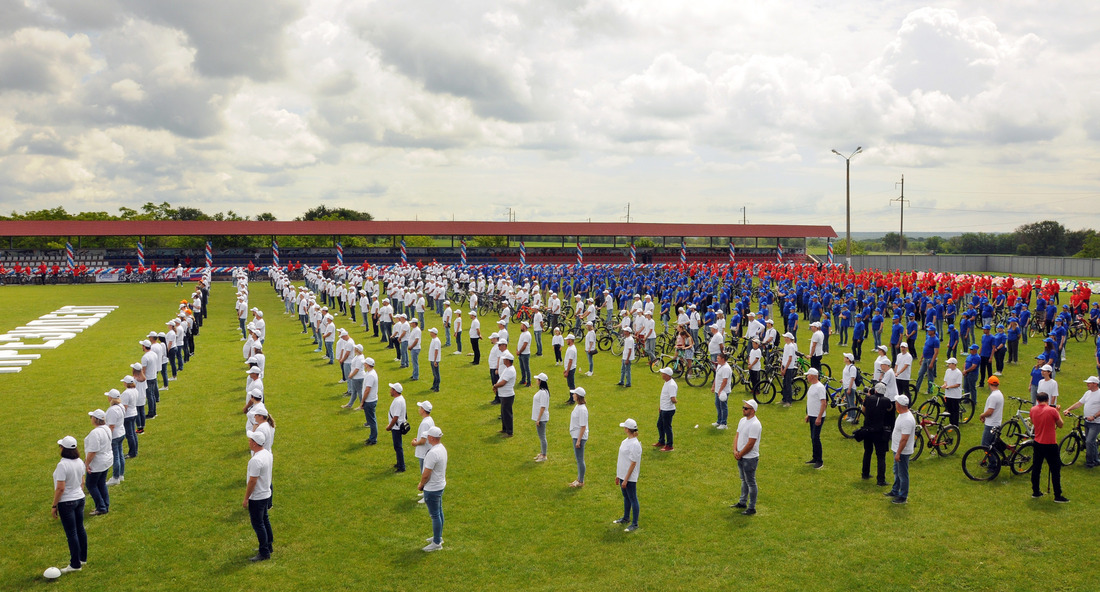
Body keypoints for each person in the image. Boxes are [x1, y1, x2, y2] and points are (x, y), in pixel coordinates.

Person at [52, 436, 87, 574]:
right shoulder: (79, 462)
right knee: (80, 529)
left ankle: (75, 564)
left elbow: (60, 488)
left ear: (63, 449)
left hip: (67, 502)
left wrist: (54, 505)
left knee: (71, 533)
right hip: (80, 498)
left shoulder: (62, 465)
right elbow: (82, 482)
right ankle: (82, 558)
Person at [1029, 391, 1068, 503]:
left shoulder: (1033, 409)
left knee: (1036, 467)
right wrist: (1057, 412)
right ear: (1047, 400)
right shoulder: (1052, 411)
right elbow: (1060, 425)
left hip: (1037, 442)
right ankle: (1057, 495)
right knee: (1055, 470)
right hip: (1050, 443)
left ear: (1037, 400)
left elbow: (1032, 421)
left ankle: (1035, 491)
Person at [244, 431, 274, 561]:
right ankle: (268, 545)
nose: (249, 442)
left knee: (258, 524)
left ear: (255, 443)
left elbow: (252, 481)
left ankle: (264, 552)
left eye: (250, 440)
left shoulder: (255, 460)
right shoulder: (267, 454)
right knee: (265, 520)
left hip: (257, 496)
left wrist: (246, 498)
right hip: (266, 493)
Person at [418, 426, 448, 552]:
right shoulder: (442, 448)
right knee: (439, 512)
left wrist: (421, 485)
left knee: (435, 515)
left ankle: (436, 543)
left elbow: (426, 473)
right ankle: (438, 537)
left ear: (431, 438)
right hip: (440, 485)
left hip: (432, 488)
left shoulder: (432, 453)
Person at [732, 399, 762, 515]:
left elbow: (751, 443)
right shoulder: (742, 420)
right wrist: (735, 450)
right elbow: (737, 435)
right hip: (741, 455)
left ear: (753, 411)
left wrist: (740, 453)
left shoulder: (755, 424)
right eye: (743, 407)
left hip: (749, 458)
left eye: (746, 408)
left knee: (750, 482)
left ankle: (751, 507)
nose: (743, 410)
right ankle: (742, 502)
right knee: (743, 480)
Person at [1063, 376, 1100, 467]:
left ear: (1095, 384)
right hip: (1087, 421)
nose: (1087, 384)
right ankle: (1096, 460)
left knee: (1089, 442)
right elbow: (1079, 403)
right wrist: (1068, 409)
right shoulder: (1087, 393)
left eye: (1089, 383)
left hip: (1096, 423)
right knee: (1091, 442)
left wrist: (1094, 416)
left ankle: (1090, 462)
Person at [613, 418, 642, 532]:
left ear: (627, 429)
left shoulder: (635, 444)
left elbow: (633, 463)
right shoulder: (626, 441)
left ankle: (634, 523)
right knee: (626, 497)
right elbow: (622, 459)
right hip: (623, 475)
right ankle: (626, 517)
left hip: (629, 477)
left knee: (632, 498)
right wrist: (618, 475)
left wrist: (625, 479)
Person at [886, 395, 915, 504]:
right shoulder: (902, 414)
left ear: (899, 405)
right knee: (897, 472)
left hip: (902, 451)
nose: (895, 403)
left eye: (896, 402)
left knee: (903, 474)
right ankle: (895, 490)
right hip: (897, 449)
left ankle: (903, 496)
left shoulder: (907, 420)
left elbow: (904, 439)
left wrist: (898, 453)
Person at [861, 383, 891, 486]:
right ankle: (881, 480)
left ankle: (865, 473)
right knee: (881, 456)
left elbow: (863, 410)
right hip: (879, 431)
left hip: (868, 429)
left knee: (867, 452)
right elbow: (889, 410)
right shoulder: (886, 401)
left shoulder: (868, 399)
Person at [84, 409, 113, 515]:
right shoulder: (106, 428)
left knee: (91, 485)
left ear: (96, 419)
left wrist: (86, 464)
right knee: (101, 483)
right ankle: (105, 504)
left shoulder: (95, 433)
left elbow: (92, 451)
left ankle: (101, 507)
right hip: (107, 459)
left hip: (98, 462)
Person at [411, 401, 436, 503]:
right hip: (427, 451)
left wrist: (415, 443)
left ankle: (426, 495)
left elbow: (423, 440)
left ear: (423, 410)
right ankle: (425, 492)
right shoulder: (429, 420)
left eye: (420, 407)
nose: (419, 409)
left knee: (425, 473)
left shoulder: (425, 423)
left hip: (424, 452)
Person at [805, 368, 826, 469]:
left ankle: (820, 460)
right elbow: (811, 401)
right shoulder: (812, 386)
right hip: (812, 415)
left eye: (808, 375)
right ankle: (815, 457)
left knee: (816, 437)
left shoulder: (820, 387)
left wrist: (819, 417)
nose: (807, 377)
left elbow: (823, 403)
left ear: (812, 376)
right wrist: (809, 414)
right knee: (812, 437)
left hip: (818, 416)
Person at [355, 357, 379, 445]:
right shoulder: (370, 373)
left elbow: (367, 390)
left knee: (372, 421)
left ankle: (373, 439)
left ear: (367, 365)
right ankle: (371, 437)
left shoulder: (370, 375)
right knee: (371, 420)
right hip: (371, 400)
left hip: (370, 400)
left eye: (365, 363)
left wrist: (362, 401)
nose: (364, 364)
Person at [385, 383, 408, 472]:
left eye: (392, 389)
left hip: (396, 427)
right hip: (397, 426)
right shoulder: (400, 399)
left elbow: (396, 416)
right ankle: (399, 463)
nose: (390, 390)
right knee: (397, 446)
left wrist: (389, 426)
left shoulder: (398, 401)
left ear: (395, 391)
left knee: (398, 447)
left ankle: (401, 466)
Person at [568, 387, 589, 488]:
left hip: (579, 437)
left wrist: (579, 440)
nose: (573, 395)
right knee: (579, 459)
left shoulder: (582, 410)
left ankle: (580, 480)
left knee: (580, 459)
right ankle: (579, 479)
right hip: (576, 435)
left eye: (574, 394)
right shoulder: (578, 406)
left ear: (578, 396)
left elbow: (583, 426)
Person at [105, 389, 125, 485]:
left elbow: (111, 426)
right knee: (120, 455)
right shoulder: (120, 406)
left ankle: (115, 477)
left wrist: (108, 437)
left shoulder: (112, 410)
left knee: (116, 456)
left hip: (115, 435)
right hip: (121, 432)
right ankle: (121, 475)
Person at [493, 352, 517, 436]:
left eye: (504, 359)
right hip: (504, 395)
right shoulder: (507, 368)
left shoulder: (510, 370)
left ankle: (509, 431)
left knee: (507, 413)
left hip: (508, 395)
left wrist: (495, 386)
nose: (503, 360)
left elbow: (503, 382)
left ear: (508, 360)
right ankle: (504, 428)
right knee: (503, 413)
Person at [978, 377, 1004, 447]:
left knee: (985, 445)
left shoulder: (993, 396)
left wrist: (982, 415)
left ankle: (993, 458)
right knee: (992, 445)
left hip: (991, 425)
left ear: (989, 384)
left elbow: (990, 412)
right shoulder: (999, 394)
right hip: (996, 423)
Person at [655, 367, 677, 451]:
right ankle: (661, 441)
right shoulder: (667, 382)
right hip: (664, 408)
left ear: (667, 375)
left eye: (663, 373)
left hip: (668, 410)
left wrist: (675, 401)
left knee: (667, 427)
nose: (662, 374)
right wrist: (661, 406)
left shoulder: (671, 385)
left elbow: (673, 398)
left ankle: (669, 445)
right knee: (659, 425)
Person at [532, 373, 550, 462]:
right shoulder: (543, 391)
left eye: (538, 379)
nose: (536, 381)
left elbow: (543, 407)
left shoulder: (543, 393)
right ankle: (542, 452)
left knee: (542, 437)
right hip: (540, 418)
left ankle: (544, 455)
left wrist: (538, 419)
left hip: (542, 418)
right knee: (541, 436)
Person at [712, 351, 732, 429]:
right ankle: (719, 421)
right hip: (718, 390)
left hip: (724, 391)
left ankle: (724, 423)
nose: (717, 360)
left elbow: (725, 381)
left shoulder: (726, 368)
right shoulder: (719, 366)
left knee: (723, 406)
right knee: (718, 405)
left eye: (718, 358)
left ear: (723, 359)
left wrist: (720, 390)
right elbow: (716, 377)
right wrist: (713, 386)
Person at [941, 358, 964, 427]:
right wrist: (945, 385)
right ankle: (951, 423)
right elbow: (946, 380)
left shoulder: (958, 373)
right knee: (949, 409)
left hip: (955, 395)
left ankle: (955, 424)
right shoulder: (947, 371)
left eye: (950, 364)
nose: (948, 365)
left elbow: (958, 384)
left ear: (954, 364)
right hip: (948, 394)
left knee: (955, 410)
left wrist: (949, 387)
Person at [780, 332, 797, 407]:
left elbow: (790, 359)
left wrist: (785, 368)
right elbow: (784, 357)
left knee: (788, 384)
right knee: (784, 383)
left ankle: (789, 401)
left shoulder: (791, 346)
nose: (785, 339)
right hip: (784, 365)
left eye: (786, 337)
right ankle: (784, 399)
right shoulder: (786, 345)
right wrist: (782, 367)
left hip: (789, 367)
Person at [562, 334, 578, 399]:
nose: (566, 341)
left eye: (567, 340)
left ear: (570, 340)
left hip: (571, 369)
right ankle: (571, 398)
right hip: (570, 368)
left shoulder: (571, 349)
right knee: (570, 384)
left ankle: (572, 399)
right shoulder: (571, 348)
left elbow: (570, 361)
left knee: (571, 385)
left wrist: (567, 371)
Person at [428, 328, 442, 392]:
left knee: (436, 374)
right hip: (432, 359)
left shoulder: (436, 341)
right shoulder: (433, 340)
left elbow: (436, 350)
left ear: (433, 333)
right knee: (434, 373)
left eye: (431, 332)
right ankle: (434, 385)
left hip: (434, 359)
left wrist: (435, 360)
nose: (430, 333)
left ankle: (437, 387)